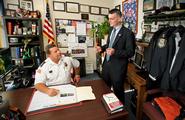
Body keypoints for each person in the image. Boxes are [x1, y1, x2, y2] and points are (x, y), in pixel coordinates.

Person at [96, 9, 135, 103]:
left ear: (120, 19)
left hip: (118, 68)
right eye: (109, 19)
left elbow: (130, 52)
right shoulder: (111, 30)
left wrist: (115, 52)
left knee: (118, 92)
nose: (109, 21)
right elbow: (109, 45)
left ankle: (120, 112)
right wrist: (102, 48)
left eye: (112, 19)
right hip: (107, 65)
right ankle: (107, 106)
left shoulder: (128, 33)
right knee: (105, 88)